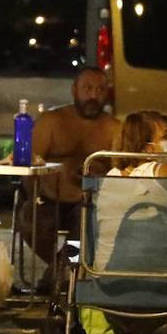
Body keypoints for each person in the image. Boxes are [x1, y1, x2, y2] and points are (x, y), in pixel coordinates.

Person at [18, 67, 121, 277]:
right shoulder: (51, 121)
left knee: (84, 226)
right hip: (48, 199)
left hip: (89, 202)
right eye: (87, 88)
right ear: (74, 90)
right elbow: (30, 163)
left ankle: (63, 271)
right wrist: (34, 196)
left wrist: (99, 172)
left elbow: (122, 169)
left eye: (100, 89)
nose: (93, 96)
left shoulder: (114, 128)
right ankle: (60, 268)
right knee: (31, 219)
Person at [102, 110, 167, 334]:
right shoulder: (165, 172)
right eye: (166, 136)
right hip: (163, 281)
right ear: (148, 148)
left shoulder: (108, 179)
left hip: (105, 283)